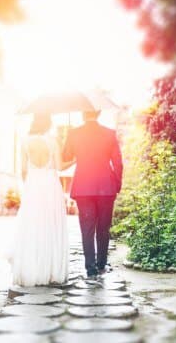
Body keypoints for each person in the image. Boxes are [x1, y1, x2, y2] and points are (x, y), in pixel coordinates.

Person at [10, 113, 72, 286]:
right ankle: (51, 271)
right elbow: (60, 167)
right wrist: (74, 160)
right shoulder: (52, 141)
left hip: (33, 186)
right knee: (51, 225)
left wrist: (29, 187)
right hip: (50, 186)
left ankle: (32, 270)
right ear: (48, 125)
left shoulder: (24, 141)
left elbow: (23, 170)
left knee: (32, 227)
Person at [63, 110, 123, 278]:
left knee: (87, 228)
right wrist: (116, 185)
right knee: (104, 228)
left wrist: (68, 137)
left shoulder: (74, 133)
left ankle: (90, 268)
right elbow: (118, 162)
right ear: (97, 115)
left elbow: (65, 156)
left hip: (83, 188)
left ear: (82, 115)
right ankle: (101, 264)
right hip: (106, 187)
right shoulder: (109, 134)